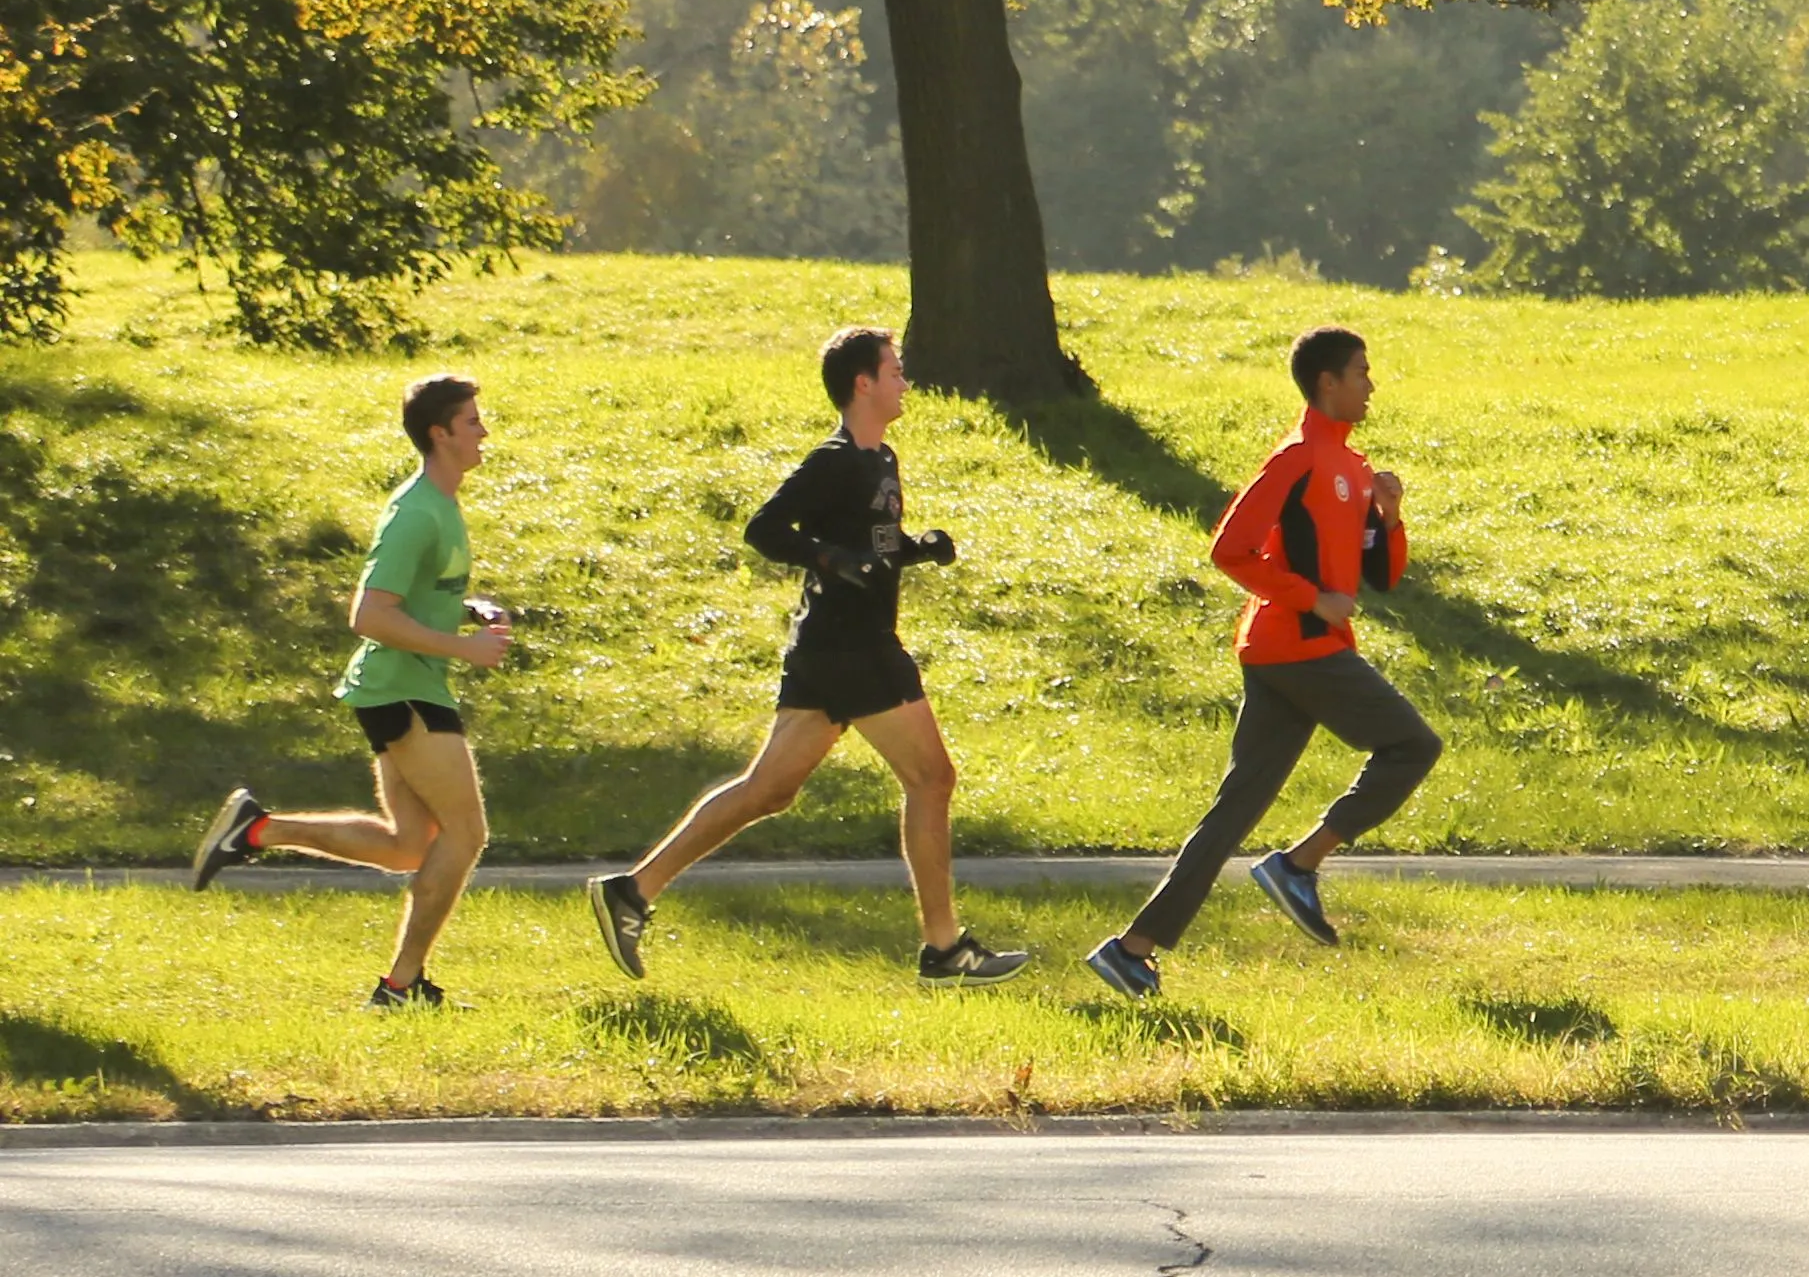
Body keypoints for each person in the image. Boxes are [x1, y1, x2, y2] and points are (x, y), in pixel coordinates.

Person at [587, 327, 1030, 985]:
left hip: (833, 648)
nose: (904, 382)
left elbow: (873, 544)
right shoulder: (832, 460)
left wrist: (915, 548)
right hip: (854, 647)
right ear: (863, 384)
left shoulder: (882, 460)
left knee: (769, 791)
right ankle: (944, 948)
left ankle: (633, 891)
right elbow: (765, 530)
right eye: (895, 372)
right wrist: (827, 557)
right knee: (932, 779)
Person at [1084, 325, 1443, 999]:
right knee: (1412, 745)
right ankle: (1300, 865)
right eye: (1362, 373)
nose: (1371, 385)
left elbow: (1381, 576)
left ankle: (1131, 951)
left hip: (1298, 650)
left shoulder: (1355, 467)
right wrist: (1314, 599)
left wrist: (1390, 517)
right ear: (1327, 383)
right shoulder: (1296, 459)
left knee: (1232, 813)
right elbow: (1231, 550)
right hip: (1294, 646)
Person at [188, 373, 516, 1007]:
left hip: (401, 685)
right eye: (472, 421)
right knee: (466, 834)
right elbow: (368, 615)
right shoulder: (417, 513)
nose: (483, 431)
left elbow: (411, 597)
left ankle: (257, 831)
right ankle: (401, 986)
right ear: (440, 433)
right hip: (405, 690)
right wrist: (464, 649)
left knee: (405, 847)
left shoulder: (442, 505)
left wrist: (462, 608)